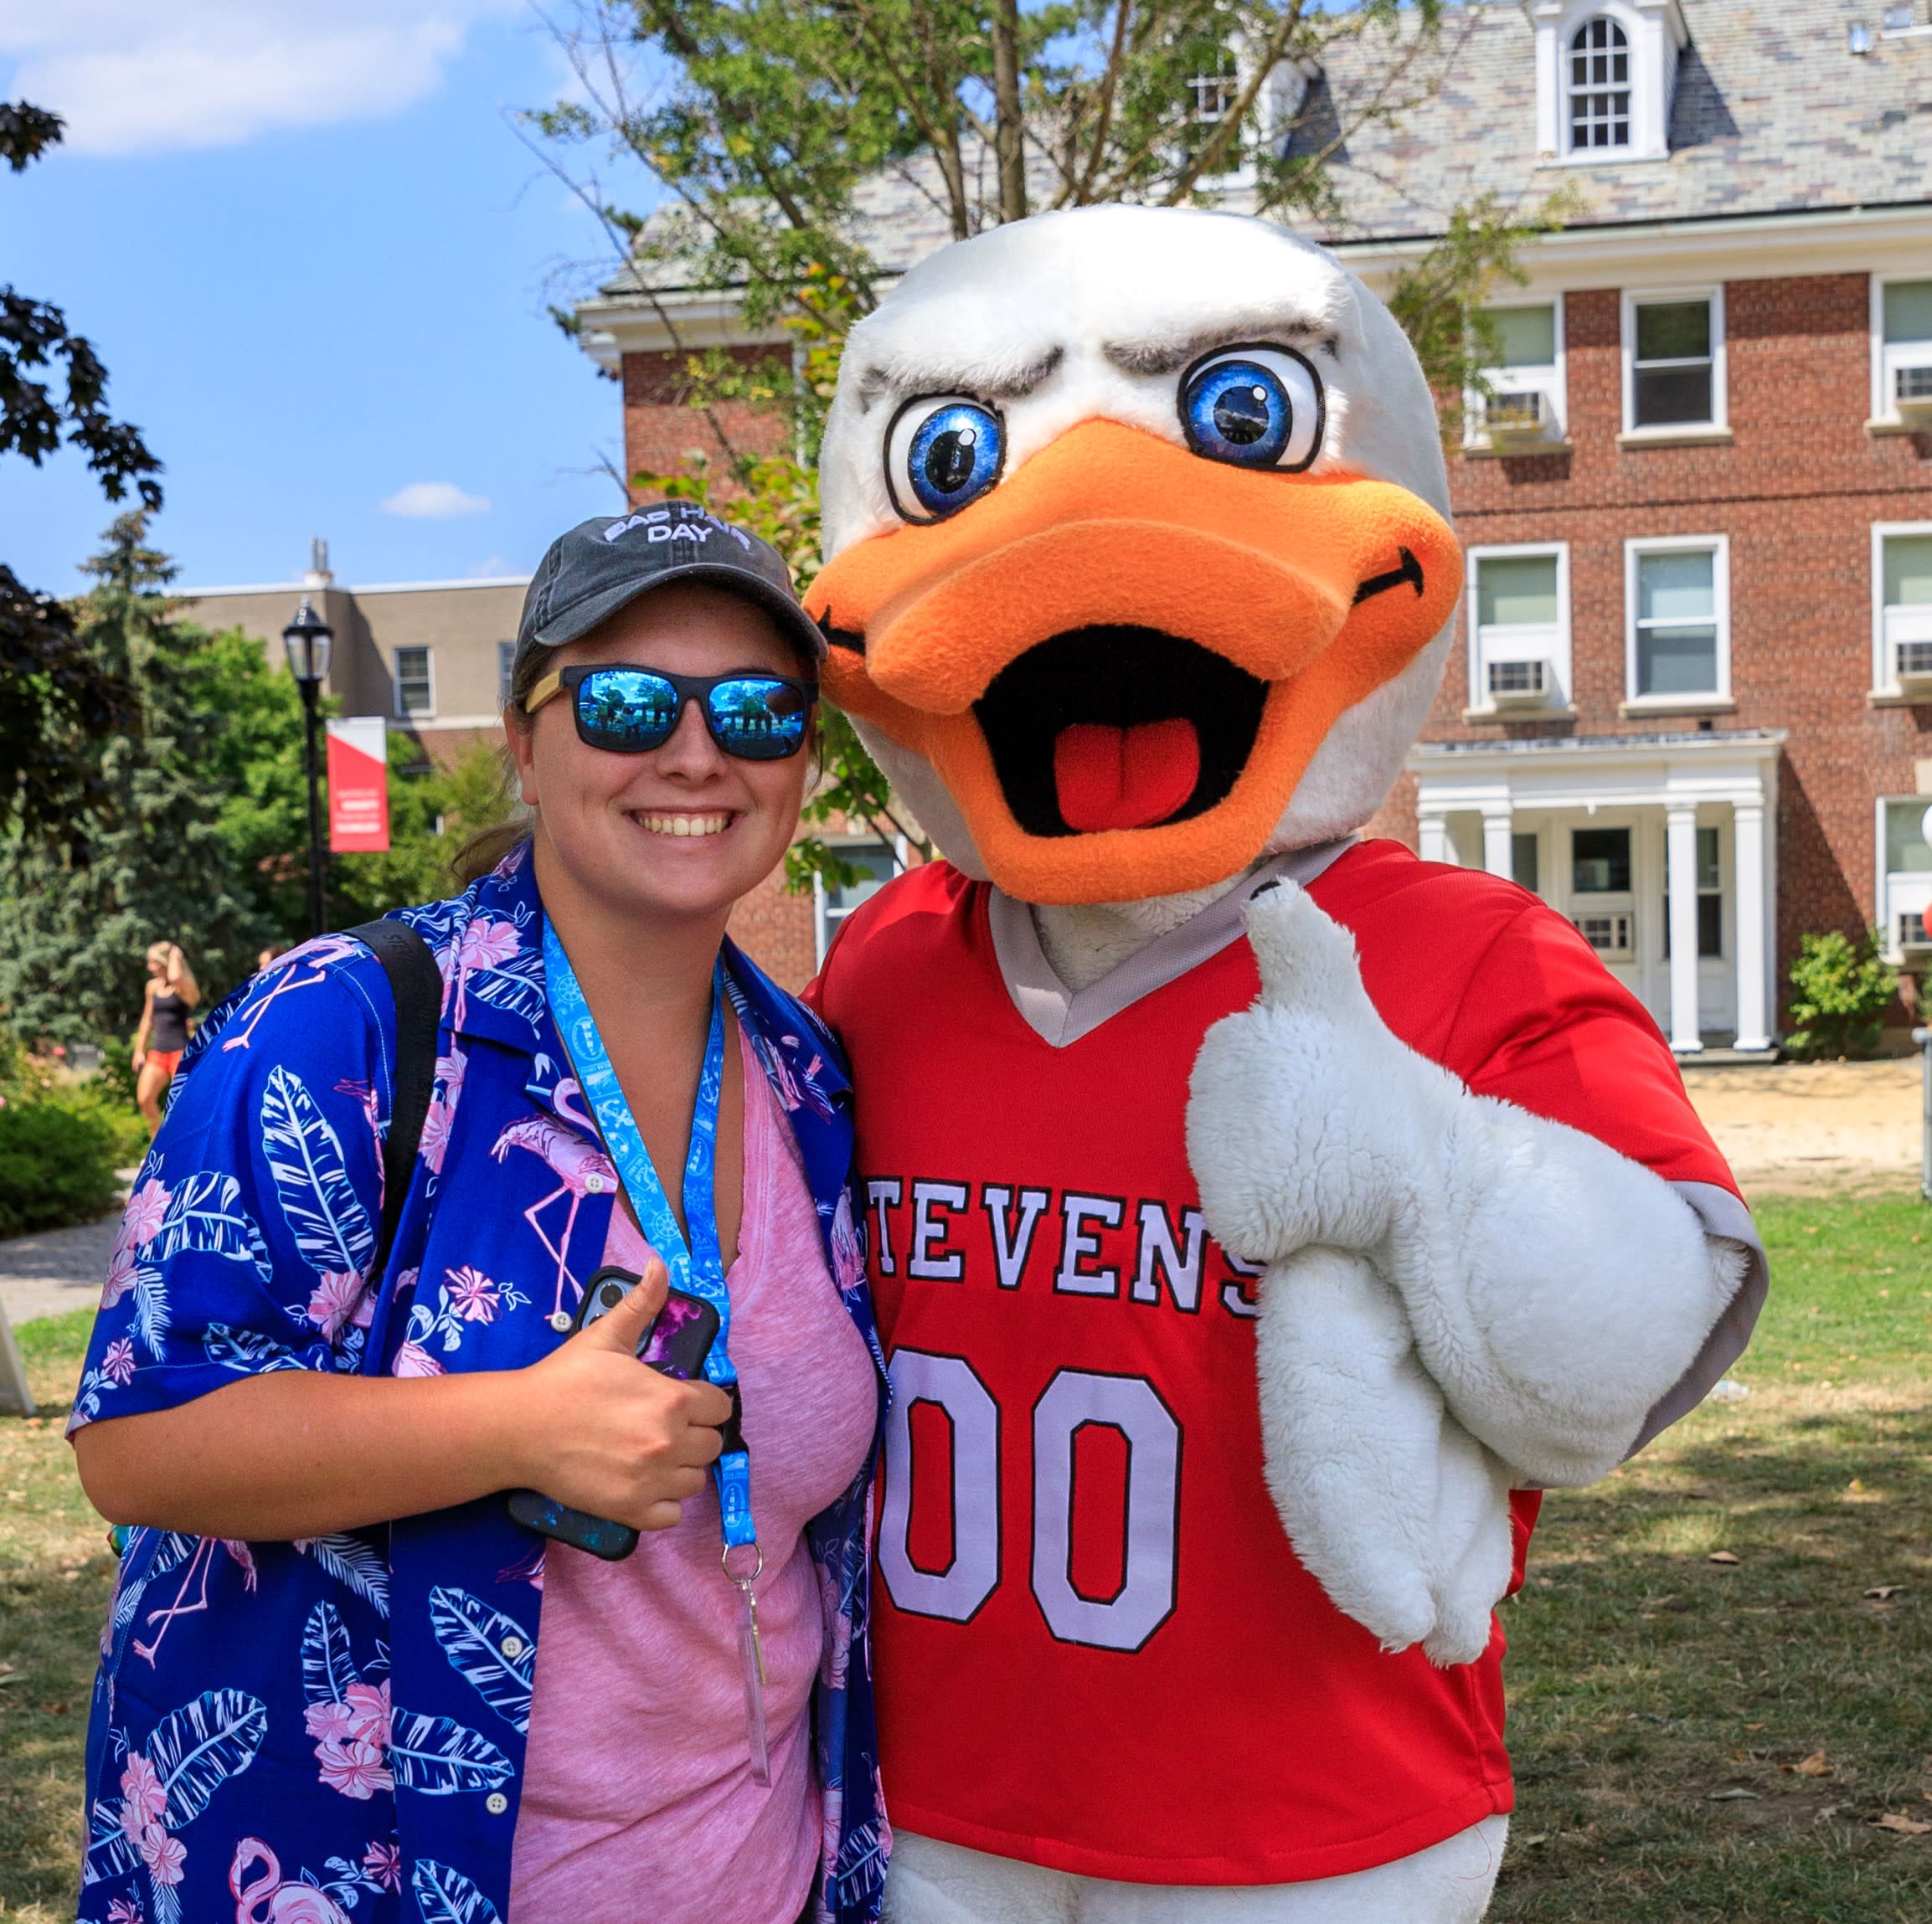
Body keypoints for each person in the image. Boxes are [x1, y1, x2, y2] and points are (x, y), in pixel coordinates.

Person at [69, 504, 891, 1924]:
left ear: (802, 762)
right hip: (398, 1877)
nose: (695, 753)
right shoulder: (347, 1025)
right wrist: (515, 1429)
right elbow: (141, 1442)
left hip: (756, 1875)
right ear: (525, 736)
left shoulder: (810, 1073)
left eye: (758, 711)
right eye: (628, 700)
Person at [131, 940, 198, 1132]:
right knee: (144, 1099)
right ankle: (157, 1143)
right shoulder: (152, 987)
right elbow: (147, 1020)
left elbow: (176, 977)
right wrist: (139, 1051)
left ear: (165, 962)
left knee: (182, 1105)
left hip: (181, 1052)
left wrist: (175, 956)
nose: (150, 967)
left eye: (154, 962)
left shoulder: (184, 988)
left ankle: (182, 1149)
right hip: (158, 1052)